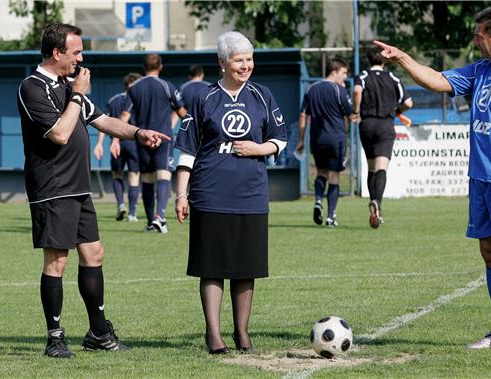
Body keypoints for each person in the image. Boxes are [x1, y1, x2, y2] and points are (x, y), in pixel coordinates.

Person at [374, 6, 491, 352]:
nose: (474, 41)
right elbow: (438, 80)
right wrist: (403, 58)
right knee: (489, 250)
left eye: (479, 35)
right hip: (480, 178)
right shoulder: (482, 70)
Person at [17, 23, 167, 358]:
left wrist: (138, 132)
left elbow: (102, 120)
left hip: (79, 188)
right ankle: (55, 337)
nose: (81, 59)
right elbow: (60, 134)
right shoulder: (33, 87)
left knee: (94, 253)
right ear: (57, 53)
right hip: (52, 188)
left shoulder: (68, 87)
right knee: (57, 261)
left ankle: (98, 333)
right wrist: (78, 94)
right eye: (76, 53)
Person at [174, 31, 287, 354]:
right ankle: (214, 334)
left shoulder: (263, 95)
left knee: (246, 266)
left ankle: (242, 332)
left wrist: (257, 148)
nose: (246, 65)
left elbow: (280, 139)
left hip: (251, 195)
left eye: (249, 59)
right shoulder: (203, 98)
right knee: (212, 267)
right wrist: (182, 195)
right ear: (222, 63)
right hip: (210, 194)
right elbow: (186, 152)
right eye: (239, 60)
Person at [121, 54, 187, 233]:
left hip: (143, 139)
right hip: (163, 138)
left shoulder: (134, 88)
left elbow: (124, 117)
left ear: (144, 68)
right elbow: (182, 112)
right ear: (161, 67)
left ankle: (151, 222)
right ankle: (160, 218)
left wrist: (117, 139)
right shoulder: (167, 86)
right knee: (163, 176)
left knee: (148, 180)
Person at [353, 47, 413, 228]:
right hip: (385, 125)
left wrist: (356, 112)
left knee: (371, 167)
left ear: (369, 60)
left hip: (367, 124)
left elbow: (357, 91)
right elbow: (409, 103)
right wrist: (397, 111)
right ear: (384, 61)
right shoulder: (393, 78)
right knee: (381, 168)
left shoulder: (362, 76)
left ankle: (374, 205)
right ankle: (378, 202)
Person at [296, 58, 358, 227]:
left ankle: (317, 200)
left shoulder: (311, 89)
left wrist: (301, 139)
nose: (345, 77)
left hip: (317, 139)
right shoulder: (338, 90)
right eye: (344, 73)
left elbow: (303, 115)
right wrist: (355, 113)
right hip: (336, 138)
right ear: (335, 72)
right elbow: (350, 113)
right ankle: (331, 217)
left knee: (321, 172)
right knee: (334, 176)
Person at [93, 72, 143, 222]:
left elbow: (103, 123)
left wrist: (100, 143)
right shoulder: (139, 99)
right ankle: (132, 214)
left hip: (117, 144)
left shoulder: (113, 100)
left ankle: (121, 205)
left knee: (117, 175)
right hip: (134, 143)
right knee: (134, 177)